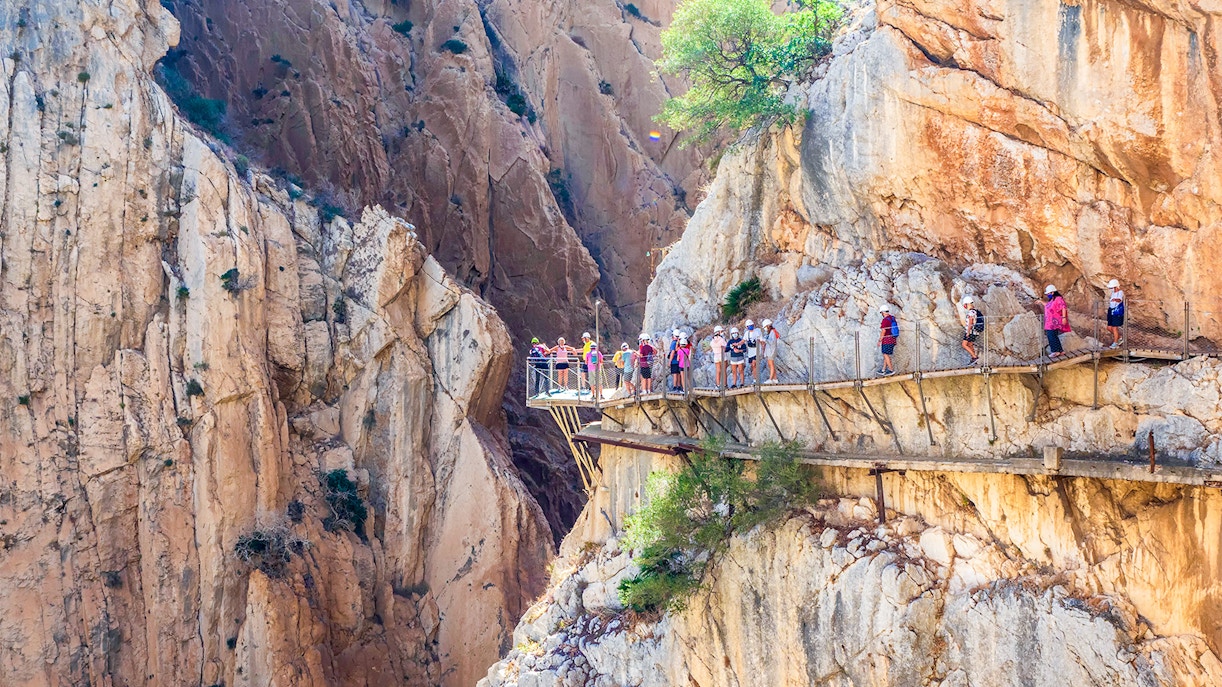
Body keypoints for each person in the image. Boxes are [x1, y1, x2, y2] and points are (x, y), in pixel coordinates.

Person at [1043, 285, 1069, 358]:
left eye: (1048, 293)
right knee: (1054, 335)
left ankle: (1055, 351)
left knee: (1050, 335)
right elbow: (1048, 306)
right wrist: (1041, 302)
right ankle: (1060, 351)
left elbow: (1063, 307)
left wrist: (1064, 317)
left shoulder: (1058, 299)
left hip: (1053, 322)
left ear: (1052, 292)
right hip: (1051, 321)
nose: (1048, 295)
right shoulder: (1053, 300)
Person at [960, 296, 982, 365]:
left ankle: (974, 357)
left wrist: (968, 333)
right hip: (975, 332)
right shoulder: (974, 311)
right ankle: (973, 359)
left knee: (964, 344)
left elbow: (970, 322)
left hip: (971, 332)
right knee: (970, 344)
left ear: (967, 304)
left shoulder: (970, 313)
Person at [878, 306, 898, 376]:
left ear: (883, 312)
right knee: (886, 354)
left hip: (887, 339)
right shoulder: (892, 318)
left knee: (885, 354)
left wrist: (880, 340)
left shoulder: (885, 320)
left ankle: (891, 370)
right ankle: (883, 370)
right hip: (893, 339)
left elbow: (883, 331)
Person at [1106, 279, 1125, 348]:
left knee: (1114, 328)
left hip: (1116, 312)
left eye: (1112, 287)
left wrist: (1115, 300)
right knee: (1109, 327)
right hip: (1111, 310)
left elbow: (1120, 300)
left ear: (1116, 286)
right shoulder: (1113, 293)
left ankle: (1115, 343)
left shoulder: (1120, 292)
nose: (1111, 289)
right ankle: (1119, 338)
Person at [761, 318, 780, 383]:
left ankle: (771, 379)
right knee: (770, 364)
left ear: (768, 326)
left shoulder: (773, 332)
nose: (765, 328)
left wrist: (764, 340)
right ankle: (775, 379)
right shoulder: (769, 332)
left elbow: (772, 342)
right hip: (769, 351)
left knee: (771, 364)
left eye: (765, 327)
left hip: (772, 351)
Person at [744, 319, 761, 384]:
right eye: (749, 326)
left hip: (756, 351)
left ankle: (756, 380)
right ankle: (754, 379)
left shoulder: (757, 331)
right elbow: (743, 340)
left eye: (751, 325)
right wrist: (737, 344)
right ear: (747, 327)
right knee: (752, 365)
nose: (751, 326)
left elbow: (760, 339)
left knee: (754, 364)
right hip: (750, 352)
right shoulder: (746, 333)